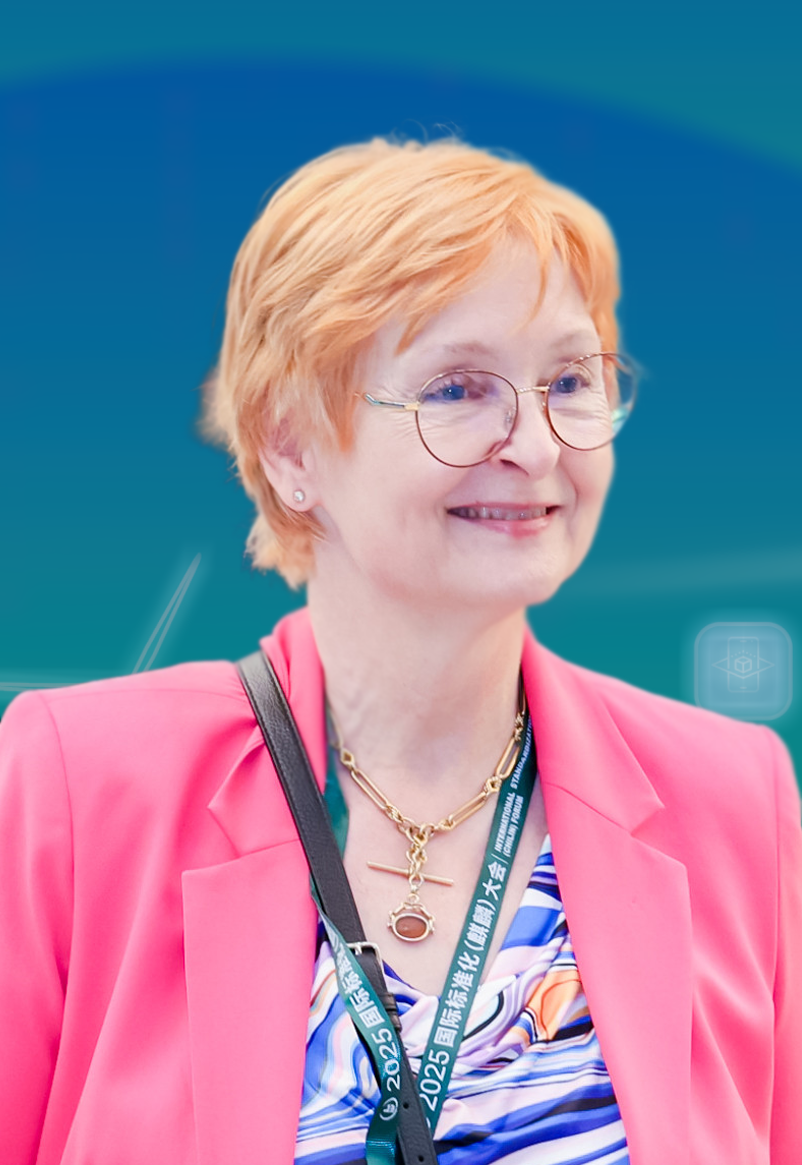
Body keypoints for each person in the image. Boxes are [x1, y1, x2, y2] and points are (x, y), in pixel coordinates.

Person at [1, 136, 800, 1165]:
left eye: (568, 379)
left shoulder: (734, 795)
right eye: (459, 389)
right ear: (290, 444)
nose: (537, 445)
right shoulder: (77, 783)